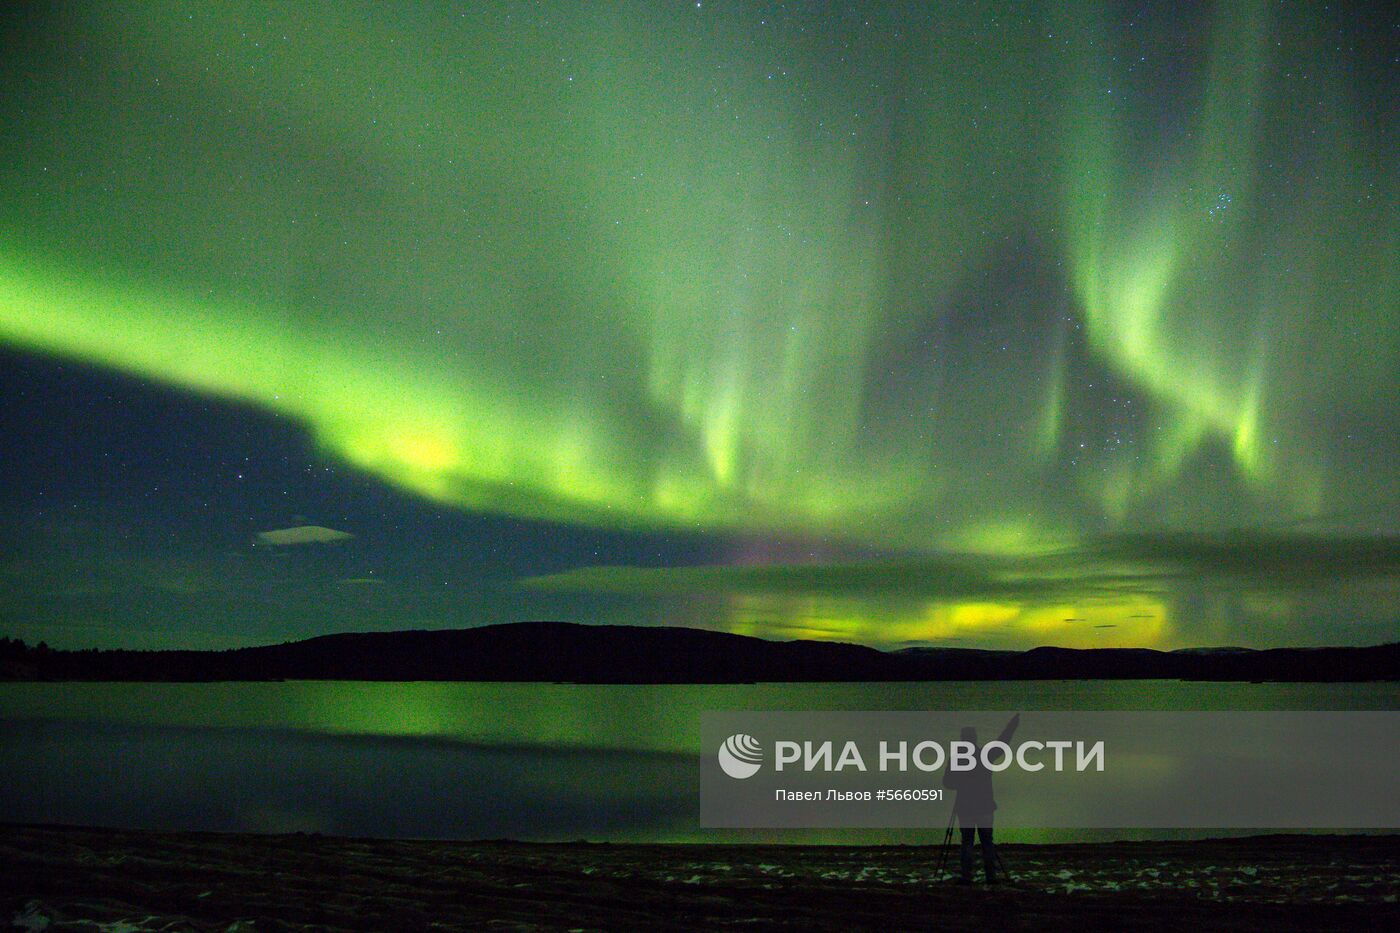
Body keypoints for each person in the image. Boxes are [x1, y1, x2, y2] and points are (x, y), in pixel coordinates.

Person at [943, 712, 1019, 883]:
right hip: (984, 806)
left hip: (965, 807)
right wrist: (1011, 726)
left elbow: (947, 782)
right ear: (975, 739)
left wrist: (960, 783)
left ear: (962, 740)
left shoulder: (956, 759)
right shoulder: (985, 755)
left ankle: (967, 876)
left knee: (967, 842)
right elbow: (1002, 744)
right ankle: (990, 877)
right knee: (987, 842)